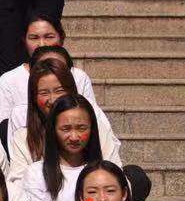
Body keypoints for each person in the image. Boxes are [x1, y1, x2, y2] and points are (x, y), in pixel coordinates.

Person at [7, 53, 120, 181]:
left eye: (59, 91)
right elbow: (17, 183)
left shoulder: (97, 131)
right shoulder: (23, 138)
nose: (52, 99)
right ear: (34, 97)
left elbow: (117, 176)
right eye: (44, 93)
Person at [21, 94, 106, 201]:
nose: (74, 137)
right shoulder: (36, 174)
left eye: (81, 128)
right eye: (66, 129)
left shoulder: (106, 173)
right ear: (53, 130)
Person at [0, 15, 100, 131]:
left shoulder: (79, 77)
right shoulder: (9, 80)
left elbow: (92, 119)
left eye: (49, 37)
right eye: (34, 38)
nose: (42, 44)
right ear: (24, 41)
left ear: (61, 38)